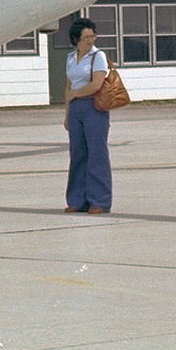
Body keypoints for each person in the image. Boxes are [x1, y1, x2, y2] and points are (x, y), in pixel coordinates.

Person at [63, 17, 112, 214]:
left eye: (93, 36)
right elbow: (68, 85)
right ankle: (77, 199)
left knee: (96, 154)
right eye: (86, 37)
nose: (90, 40)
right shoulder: (70, 58)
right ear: (76, 39)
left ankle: (99, 200)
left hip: (94, 107)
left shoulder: (97, 56)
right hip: (75, 109)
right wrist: (67, 113)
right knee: (78, 154)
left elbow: (96, 84)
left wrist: (75, 93)